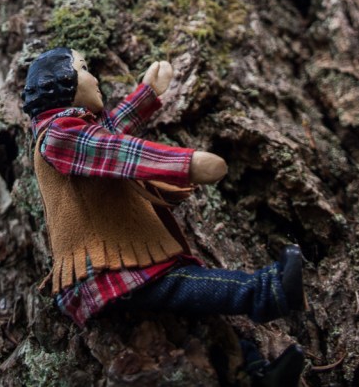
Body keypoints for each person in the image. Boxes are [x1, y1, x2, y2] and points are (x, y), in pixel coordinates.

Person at [22, 46, 306, 387]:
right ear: (61, 82)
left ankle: (254, 373)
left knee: (204, 324)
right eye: (84, 68)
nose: (94, 78)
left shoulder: (70, 131)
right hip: (106, 270)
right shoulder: (59, 135)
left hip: (118, 265)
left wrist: (147, 93)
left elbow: (110, 131)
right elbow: (115, 151)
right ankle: (269, 292)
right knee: (183, 285)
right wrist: (185, 165)